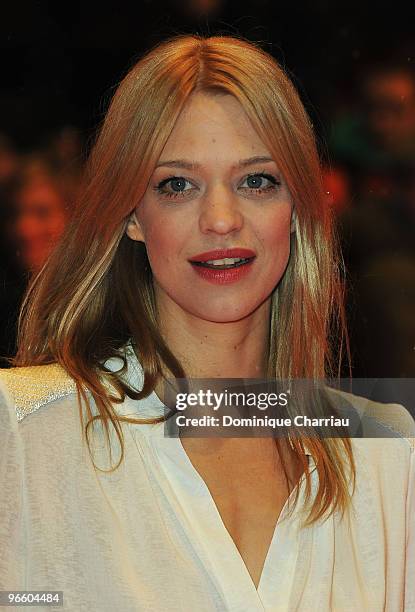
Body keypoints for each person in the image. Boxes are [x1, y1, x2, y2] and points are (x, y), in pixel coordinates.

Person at [0, 34, 414, 612]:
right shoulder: (24, 434)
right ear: (132, 215)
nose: (221, 219)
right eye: (177, 185)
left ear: (297, 207)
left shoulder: (387, 454)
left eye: (257, 181)